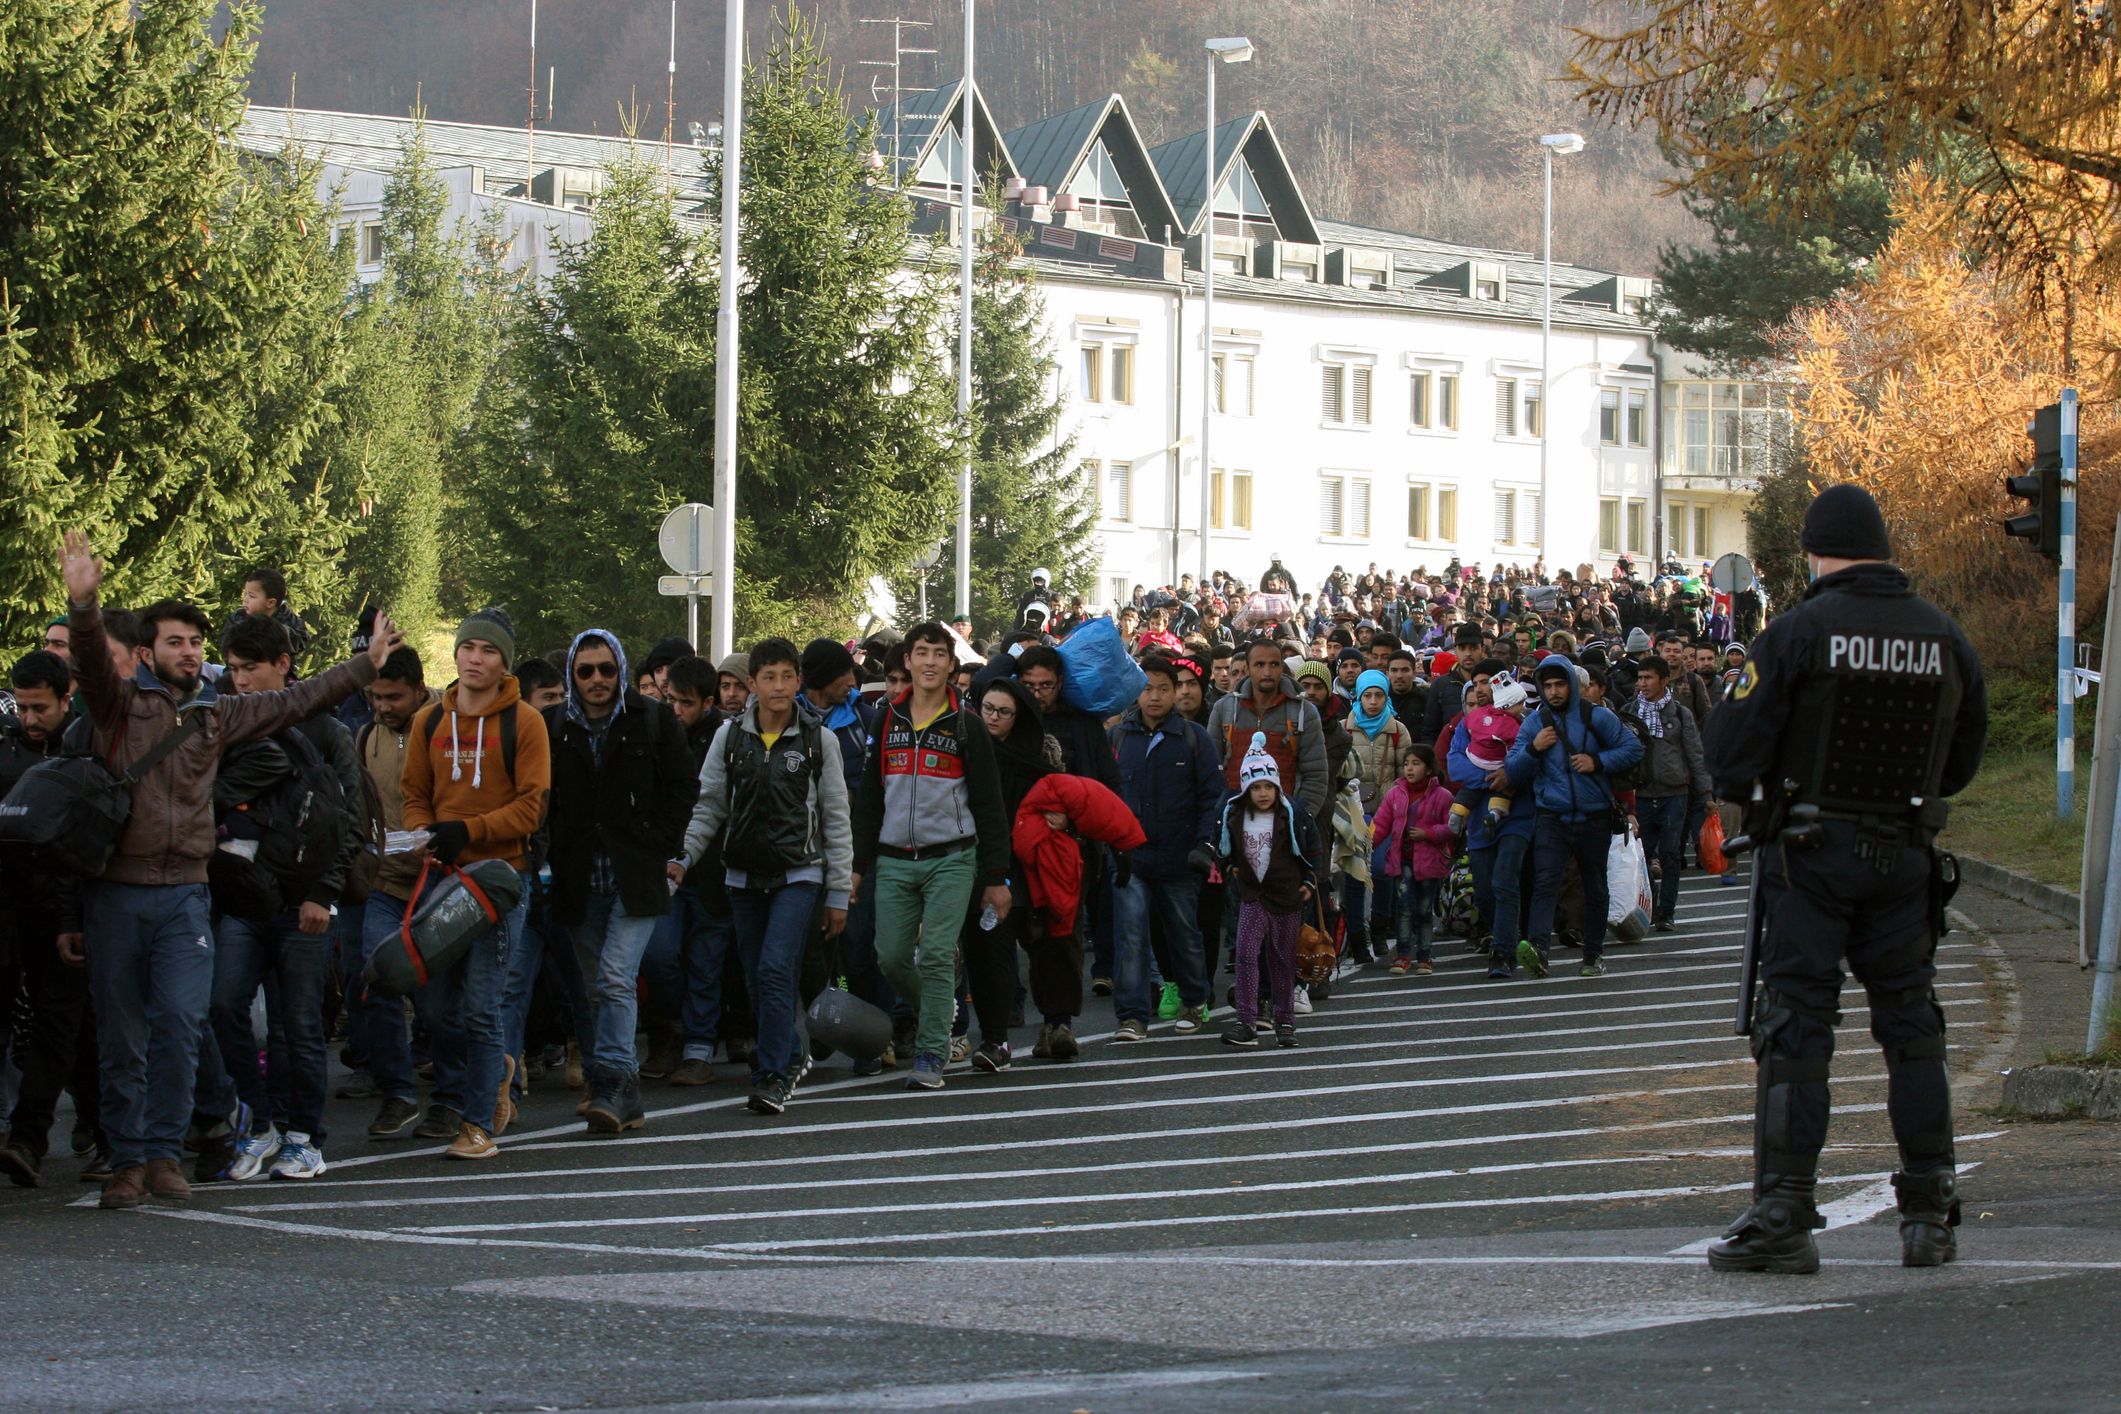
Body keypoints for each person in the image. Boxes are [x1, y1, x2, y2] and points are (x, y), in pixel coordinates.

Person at [57, 531, 393, 1208]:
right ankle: (127, 1163)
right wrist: (84, 605)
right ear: (147, 653)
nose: (190, 652)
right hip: (118, 895)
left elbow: (297, 700)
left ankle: (163, 1156)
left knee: (183, 1026)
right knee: (122, 1037)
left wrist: (365, 666)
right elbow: (90, 664)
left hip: (185, 894)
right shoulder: (118, 708)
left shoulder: (217, 714)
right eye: (175, 642)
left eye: (196, 643)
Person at [1701, 484, 1986, 1275]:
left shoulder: (1798, 632)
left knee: (1794, 1026)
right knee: (1912, 1026)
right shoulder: (1944, 637)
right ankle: (1928, 1213)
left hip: (1810, 854)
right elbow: (1962, 759)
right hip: (1904, 857)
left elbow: (1729, 751)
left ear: (1813, 551)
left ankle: (1783, 1214)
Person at [202, 615, 363, 1182]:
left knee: (298, 1026)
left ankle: (305, 1137)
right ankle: (260, 1123)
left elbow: (352, 822)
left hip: (304, 905)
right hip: (243, 899)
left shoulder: (325, 731)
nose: (241, 680)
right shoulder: (224, 723)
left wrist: (323, 892)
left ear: (284, 665)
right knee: (224, 1006)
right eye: (234, 669)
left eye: (252, 668)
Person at [677, 638, 852, 1115]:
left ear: (799, 681)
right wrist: (683, 858)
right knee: (757, 978)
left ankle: (772, 1075)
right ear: (752, 684)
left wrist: (838, 891)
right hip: (742, 876)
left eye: (787, 676)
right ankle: (790, 1053)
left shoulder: (819, 740)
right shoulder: (729, 738)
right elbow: (709, 806)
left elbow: (836, 819)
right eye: (768, 677)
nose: (778, 686)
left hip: (800, 874)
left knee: (776, 968)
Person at [399, 608, 549, 1161]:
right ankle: (497, 1068)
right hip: (442, 878)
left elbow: (531, 808)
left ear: (504, 662)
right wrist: (424, 832)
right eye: (468, 648)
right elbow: (414, 793)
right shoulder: (428, 722)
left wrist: (470, 830)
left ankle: (477, 1123)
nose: (476, 659)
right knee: (436, 1007)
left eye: (488, 651)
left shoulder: (525, 723)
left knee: (483, 1007)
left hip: (502, 881)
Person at [543, 630, 696, 1134]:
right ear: (572, 674)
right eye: (585, 670)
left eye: (606, 668)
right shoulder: (553, 726)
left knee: (615, 977)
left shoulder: (652, 719)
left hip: (635, 875)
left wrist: (660, 843)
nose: (597, 679)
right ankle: (618, 1089)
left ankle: (613, 1084)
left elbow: (684, 786)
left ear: (621, 670)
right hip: (576, 877)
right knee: (593, 989)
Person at [850, 621, 1012, 1092]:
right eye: (921, 652)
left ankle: (931, 1052)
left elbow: (989, 804)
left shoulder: (967, 724)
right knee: (891, 957)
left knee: (938, 954)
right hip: (894, 859)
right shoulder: (885, 721)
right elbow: (869, 800)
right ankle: (940, 1011)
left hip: (953, 859)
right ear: (907, 660)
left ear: (951, 665)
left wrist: (995, 876)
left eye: (939, 654)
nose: (929, 662)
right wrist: (857, 867)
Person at [0, 651, 102, 1186]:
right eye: (22, 707)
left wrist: (70, 915)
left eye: (39, 708)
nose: (29, 718)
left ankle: (29, 1138)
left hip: (65, 912)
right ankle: (102, 1132)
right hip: (12, 909)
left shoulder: (85, 749)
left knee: (60, 1024)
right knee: (71, 1029)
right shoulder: (7, 748)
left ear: (67, 698)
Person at [1505, 654, 1643, 980]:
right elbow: (1512, 770)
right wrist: (1534, 748)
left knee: (1595, 887)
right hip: (1552, 816)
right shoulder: (1534, 723)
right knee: (1545, 883)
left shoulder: (1597, 716)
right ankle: (1539, 950)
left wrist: (1598, 761)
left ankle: (1593, 955)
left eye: (1560, 684)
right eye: (1548, 685)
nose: (1554, 691)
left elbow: (1633, 749)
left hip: (1594, 816)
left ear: (1571, 684)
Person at [1108, 657, 1221, 1042]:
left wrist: (1204, 846)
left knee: (1184, 934)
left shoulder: (1194, 738)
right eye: (1146, 688)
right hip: (1130, 859)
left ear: (1175, 693)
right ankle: (1132, 1016)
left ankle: (1194, 1001)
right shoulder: (1118, 738)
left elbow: (1211, 798)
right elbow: (1104, 798)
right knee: (1131, 938)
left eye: (1163, 688)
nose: (1154, 696)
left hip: (1180, 857)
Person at [350, 645, 436, 1140]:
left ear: (419, 691)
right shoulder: (366, 737)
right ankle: (398, 1093)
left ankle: (452, 1094)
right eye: (375, 697)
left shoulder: (447, 729)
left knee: (438, 998)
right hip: (385, 883)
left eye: (393, 698)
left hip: (437, 883)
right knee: (377, 978)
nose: (382, 707)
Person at [1217, 733, 1322, 1050]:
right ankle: (1246, 1021)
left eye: (1268, 786)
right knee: (1246, 955)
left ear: (1277, 786)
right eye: (1255, 787)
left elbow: (1313, 849)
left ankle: (1285, 1023)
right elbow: (1222, 846)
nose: (1262, 793)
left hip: (1287, 897)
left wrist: (1309, 882)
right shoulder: (1235, 814)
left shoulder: (1293, 814)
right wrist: (1230, 868)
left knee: (1282, 961)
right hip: (1253, 895)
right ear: (1245, 789)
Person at [1627, 655, 1711, 932]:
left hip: (1675, 793)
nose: (1643, 683)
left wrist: (1706, 794)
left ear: (1664, 681)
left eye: (1648, 678)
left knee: (1671, 854)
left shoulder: (1680, 714)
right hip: (1641, 794)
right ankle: (1650, 905)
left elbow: (1695, 754)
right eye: (1640, 678)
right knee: (1642, 855)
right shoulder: (1629, 712)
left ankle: (1667, 912)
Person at [1371, 745, 1454, 976]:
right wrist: (1365, 845)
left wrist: (1429, 834)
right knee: (1405, 907)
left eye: (1416, 764)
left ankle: (1425, 957)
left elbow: (1453, 827)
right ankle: (1403, 955)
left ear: (1429, 768)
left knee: (1425, 911)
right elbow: (1380, 825)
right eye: (1406, 763)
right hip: (1402, 860)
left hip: (1430, 862)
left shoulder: (1443, 796)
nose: (1409, 768)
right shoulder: (1395, 794)